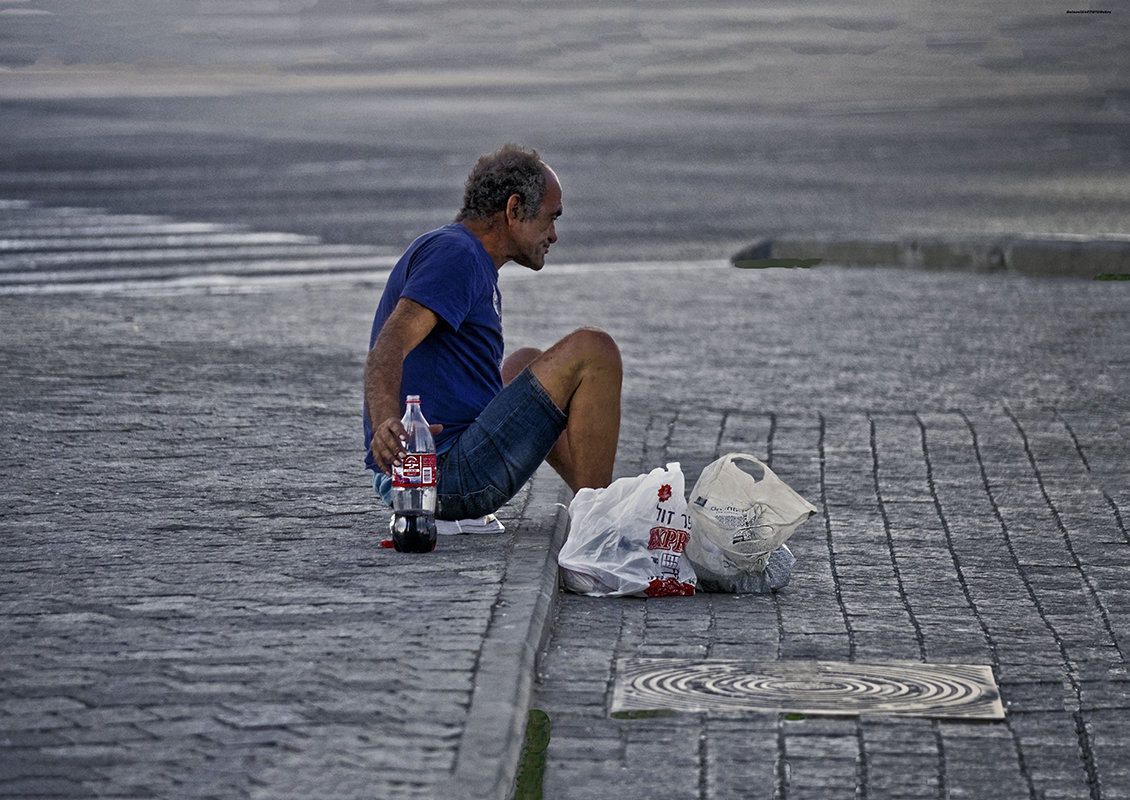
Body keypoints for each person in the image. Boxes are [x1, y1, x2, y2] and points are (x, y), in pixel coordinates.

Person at [363, 144, 622, 530]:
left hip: (426, 474)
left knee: (524, 363)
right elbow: (390, 344)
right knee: (594, 350)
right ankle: (604, 527)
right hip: (439, 479)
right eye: (550, 219)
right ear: (514, 209)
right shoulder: (457, 255)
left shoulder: (462, 252)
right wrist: (386, 420)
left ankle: (590, 500)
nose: (553, 235)